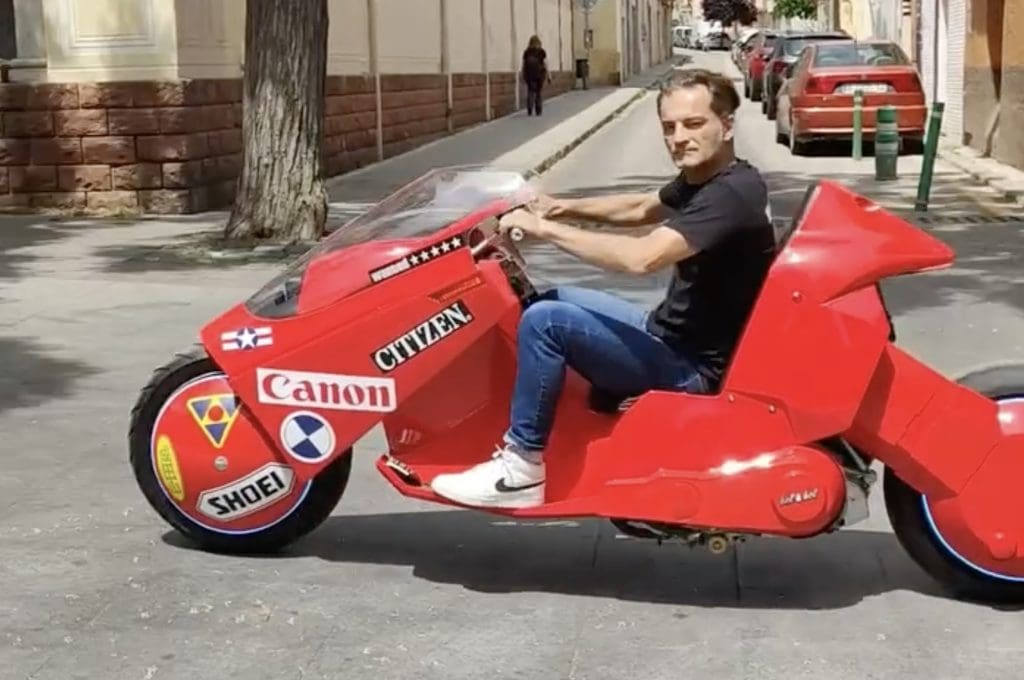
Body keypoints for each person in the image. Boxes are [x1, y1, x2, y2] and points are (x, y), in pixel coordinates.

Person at [430, 68, 777, 509]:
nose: (679, 138)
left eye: (694, 124)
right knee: (551, 300)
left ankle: (521, 468)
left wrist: (543, 229)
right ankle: (576, 415)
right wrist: (561, 208)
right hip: (670, 336)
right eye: (669, 127)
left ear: (727, 125)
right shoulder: (708, 178)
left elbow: (641, 257)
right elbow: (640, 207)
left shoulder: (730, 194)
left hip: (692, 368)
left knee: (546, 321)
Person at [522, 35, 549, 116]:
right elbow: (545, 63)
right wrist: (548, 75)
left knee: (530, 91)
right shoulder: (541, 51)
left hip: (529, 74)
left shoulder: (527, 51)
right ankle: (538, 110)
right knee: (538, 92)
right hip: (540, 74)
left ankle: (529, 109)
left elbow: (523, 64)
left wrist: (523, 73)